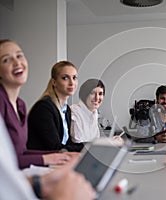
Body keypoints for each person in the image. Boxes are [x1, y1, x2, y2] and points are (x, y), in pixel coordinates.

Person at [0, 39, 76, 169]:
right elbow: (5, 162)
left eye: (19, 56)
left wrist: (62, 156)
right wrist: (52, 157)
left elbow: (21, 153)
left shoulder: (20, 105)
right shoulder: (2, 102)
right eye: (6, 60)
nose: (17, 62)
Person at [0, 112, 96, 200]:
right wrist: (65, 197)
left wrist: (40, 183)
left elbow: (6, 178)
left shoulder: (20, 105)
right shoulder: (44, 107)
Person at [27, 61, 84, 152]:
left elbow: (67, 144)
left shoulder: (66, 110)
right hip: (42, 162)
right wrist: (87, 147)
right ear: (54, 82)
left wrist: (95, 145)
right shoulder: (44, 108)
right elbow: (55, 148)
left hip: (58, 160)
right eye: (65, 78)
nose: (72, 82)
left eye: (74, 78)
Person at [70, 79, 105, 143]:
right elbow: (77, 143)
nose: (97, 98)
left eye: (100, 94)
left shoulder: (94, 113)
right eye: (92, 93)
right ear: (85, 95)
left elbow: (95, 141)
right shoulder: (75, 111)